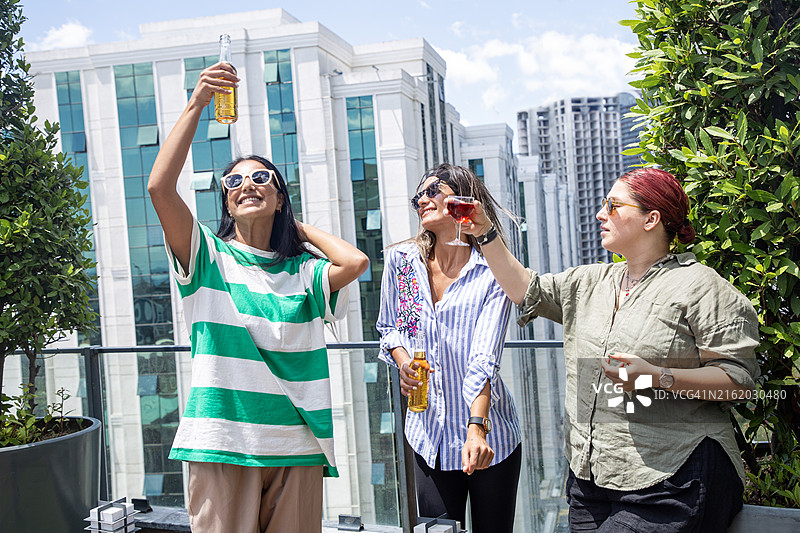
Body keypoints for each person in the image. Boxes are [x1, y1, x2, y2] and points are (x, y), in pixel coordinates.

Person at [457, 168, 760, 533]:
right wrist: (485, 231)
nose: (601, 214)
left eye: (613, 205)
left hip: (674, 474)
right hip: (591, 478)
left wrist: (657, 376)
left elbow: (738, 381)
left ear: (652, 218)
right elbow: (524, 288)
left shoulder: (700, 286)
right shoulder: (592, 282)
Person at [147, 61, 369, 533]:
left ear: (281, 197)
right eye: (234, 182)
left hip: (297, 444)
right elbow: (160, 188)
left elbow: (354, 263)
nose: (247, 184)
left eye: (262, 178)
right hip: (222, 439)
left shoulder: (304, 272)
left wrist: (293, 225)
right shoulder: (207, 256)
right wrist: (197, 103)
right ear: (226, 202)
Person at [376, 164, 522, 533]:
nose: (422, 199)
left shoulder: (493, 270)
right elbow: (389, 327)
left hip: (489, 437)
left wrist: (477, 428)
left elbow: (483, 359)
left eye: (433, 190)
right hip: (427, 435)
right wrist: (404, 361)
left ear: (463, 200)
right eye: (418, 196)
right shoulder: (402, 263)